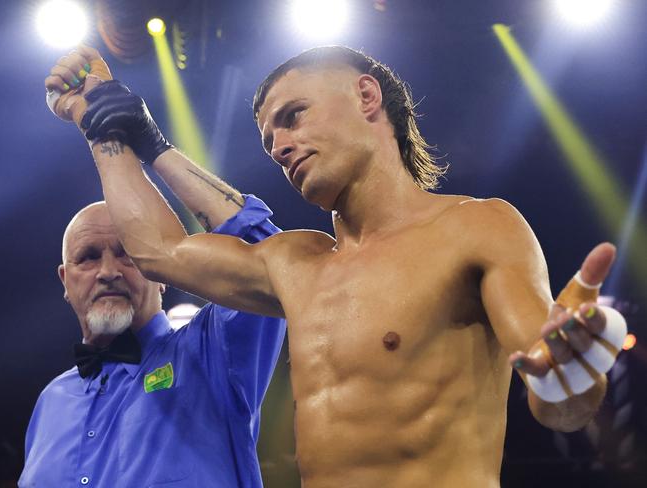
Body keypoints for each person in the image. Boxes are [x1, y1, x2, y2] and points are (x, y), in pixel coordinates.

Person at [45, 45, 627, 487]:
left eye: (292, 117)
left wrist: (572, 372)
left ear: (366, 97)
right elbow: (158, 253)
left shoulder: (478, 228)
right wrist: (102, 124)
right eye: (269, 137)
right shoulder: (296, 261)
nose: (277, 145)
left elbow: (562, 405)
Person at [19, 126, 286, 485]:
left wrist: (156, 149)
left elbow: (267, 262)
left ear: (161, 273)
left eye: (128, 255)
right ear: (66, 281)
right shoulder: (51, 402)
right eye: (88, 257)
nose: (108, 272)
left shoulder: (212, 353)